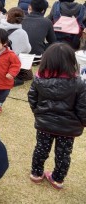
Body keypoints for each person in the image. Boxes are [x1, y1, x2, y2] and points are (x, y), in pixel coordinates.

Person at [28, 43, 86, 189]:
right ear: (71, 61)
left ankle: (36, 173)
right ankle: (58, 179)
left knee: (41, 148)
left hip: (44, 124)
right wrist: (81, 122)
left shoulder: (39, 79)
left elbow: (32, 99)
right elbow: (82, 107)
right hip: (68, 128)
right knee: (63, 154)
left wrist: (38, 112)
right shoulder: (79, 83)